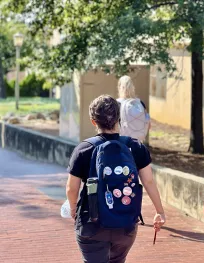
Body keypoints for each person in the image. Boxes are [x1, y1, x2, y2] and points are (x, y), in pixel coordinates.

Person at [66, 94, 165, 263]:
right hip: (125, 224)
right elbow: (148, 181)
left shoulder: (83, 149)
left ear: (93, 121)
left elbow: (71, 188)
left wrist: (73, 209)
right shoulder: (136, 147)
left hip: (91, 224)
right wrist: (159, 212)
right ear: (119, 118)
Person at [117, 75, 150, 142]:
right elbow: (148, 124)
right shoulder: (140, 103)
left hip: (123, 142)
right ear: (132, 87)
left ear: (120, 87)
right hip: (138, 141)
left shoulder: (116, 104)